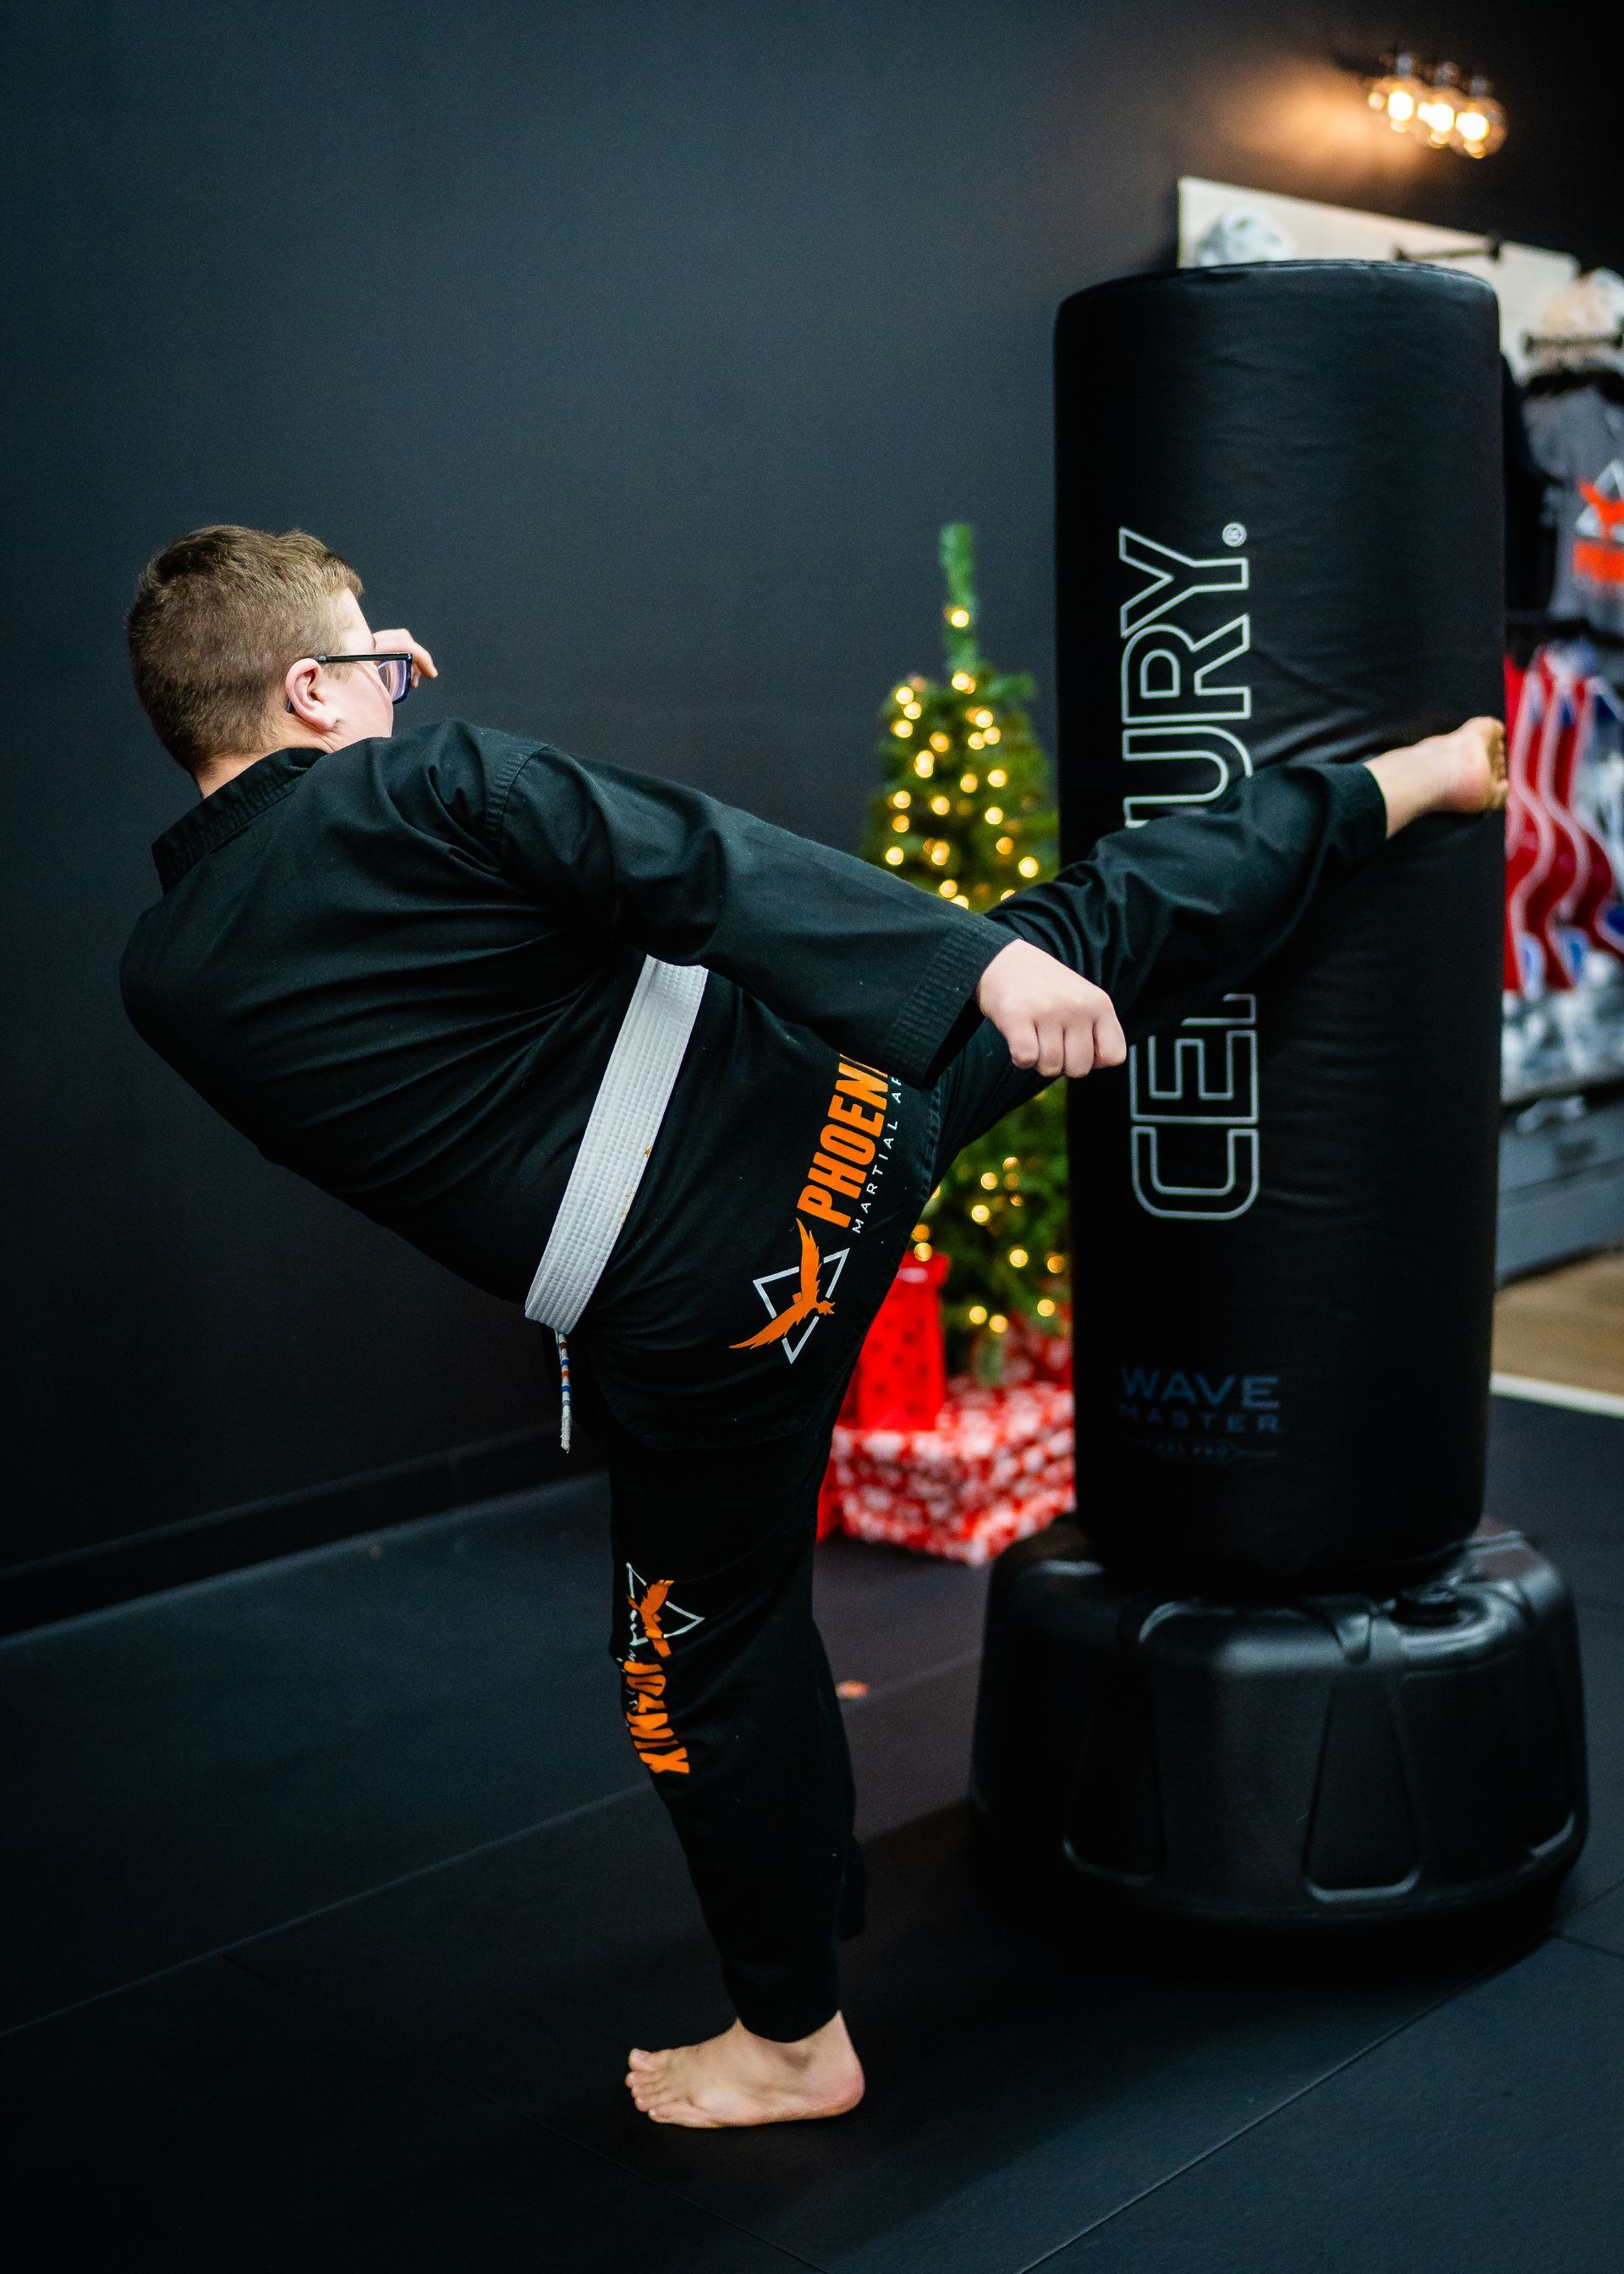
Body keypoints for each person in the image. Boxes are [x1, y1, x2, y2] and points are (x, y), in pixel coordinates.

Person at [120, 524, 1506, 2130]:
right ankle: (1407, 783)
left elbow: (496, 1005)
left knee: (703, 1667)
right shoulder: (423, 790)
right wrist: (978, 968)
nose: (407, 683)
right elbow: (699, 863)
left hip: (712, 1316)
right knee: (1104, 914)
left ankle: (793, 2037)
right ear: (308, 689)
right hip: (848, 1108)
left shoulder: (167, 976)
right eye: (383, 661)